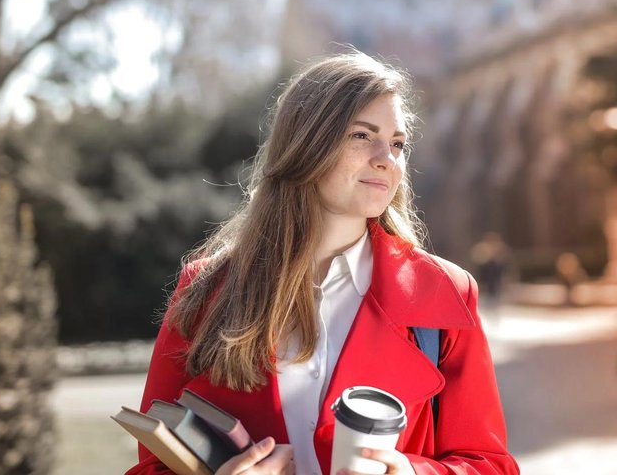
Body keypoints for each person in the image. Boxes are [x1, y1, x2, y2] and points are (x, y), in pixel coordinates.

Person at [126, 53, 519, 475]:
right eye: (362, 136)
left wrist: (413, 473)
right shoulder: (206, 289)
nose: (387, 158)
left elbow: (490, 464)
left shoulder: (445, 293)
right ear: (307, 145)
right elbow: (153, 464)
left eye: (398, 143)